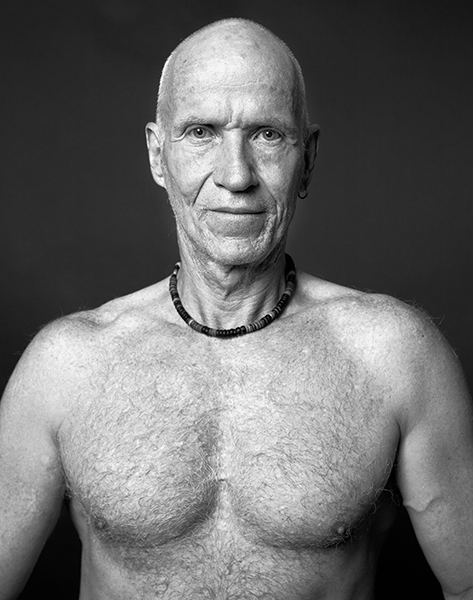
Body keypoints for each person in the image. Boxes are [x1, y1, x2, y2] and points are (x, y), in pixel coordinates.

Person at [0, 17, 472, 600]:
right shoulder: (65, 366)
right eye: (200, 132)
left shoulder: (396, 356)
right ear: (157, 155)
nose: (235, 175)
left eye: (267, 135)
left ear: (308, 158)